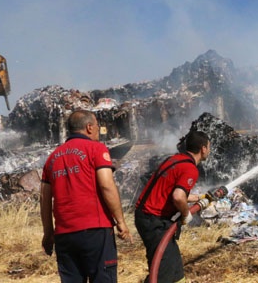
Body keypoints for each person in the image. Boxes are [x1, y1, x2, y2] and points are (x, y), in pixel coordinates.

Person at [40, 109, 133, 282]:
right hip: (95, 231)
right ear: (89, 127)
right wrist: (121, 222)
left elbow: (44, 199)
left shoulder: (52, 158)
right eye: (97, 126)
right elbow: (106, 186)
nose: (98, 129)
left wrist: (48, 233)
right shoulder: (96, 149)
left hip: (64, 235)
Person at [134, 130, 211, 283]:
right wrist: (186, 214)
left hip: (147, 217)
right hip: (154, 221)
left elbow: (172, 192)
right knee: (164, 272)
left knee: (175, 269)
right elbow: (178, 197)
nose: (209, 150)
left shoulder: (174, 160)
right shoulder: (190, 168)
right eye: (209, 147)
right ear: (203, 149)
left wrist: (200, 198)